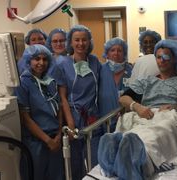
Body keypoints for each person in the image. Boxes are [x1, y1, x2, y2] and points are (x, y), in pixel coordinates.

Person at [98, 39, 177, 179]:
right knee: (137, 131)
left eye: (166, 57)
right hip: (147, 115)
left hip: (172, 116)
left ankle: (140, 162)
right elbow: (123, 98)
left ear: (175, 59)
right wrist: (137, 107)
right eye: (158, 57)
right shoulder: (147, 81)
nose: (161, 60)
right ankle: (118, 154)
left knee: (160, 130)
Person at [51, 24, 102, 180]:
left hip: (93, 116)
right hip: (72, 115)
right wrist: (71, 123)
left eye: (84, 40)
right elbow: (63, 97)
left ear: (89, 42)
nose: (81, 44)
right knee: (75, 163)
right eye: (77, 40)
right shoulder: (62, 64)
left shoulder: (95, 62)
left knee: (95, 160)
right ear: (71, 43)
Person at [15, 44, 63, 180]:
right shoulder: (23, 83)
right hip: (36, 143)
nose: (41, 63)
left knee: (56, 176)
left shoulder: (50, 81)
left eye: (44, 59)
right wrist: (48, 141)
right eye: (36, 59)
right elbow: (25, 118)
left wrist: (58, 134)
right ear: (28, 61)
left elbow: (58, 108)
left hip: (55, 139)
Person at [99, 37, 132, 131]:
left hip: (126, 120)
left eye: (119, 50)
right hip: (104, 119)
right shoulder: (100, 70)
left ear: (124, 53)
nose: (116, 53)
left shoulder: (131, 71)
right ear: (107, 54)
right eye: (112, 50)